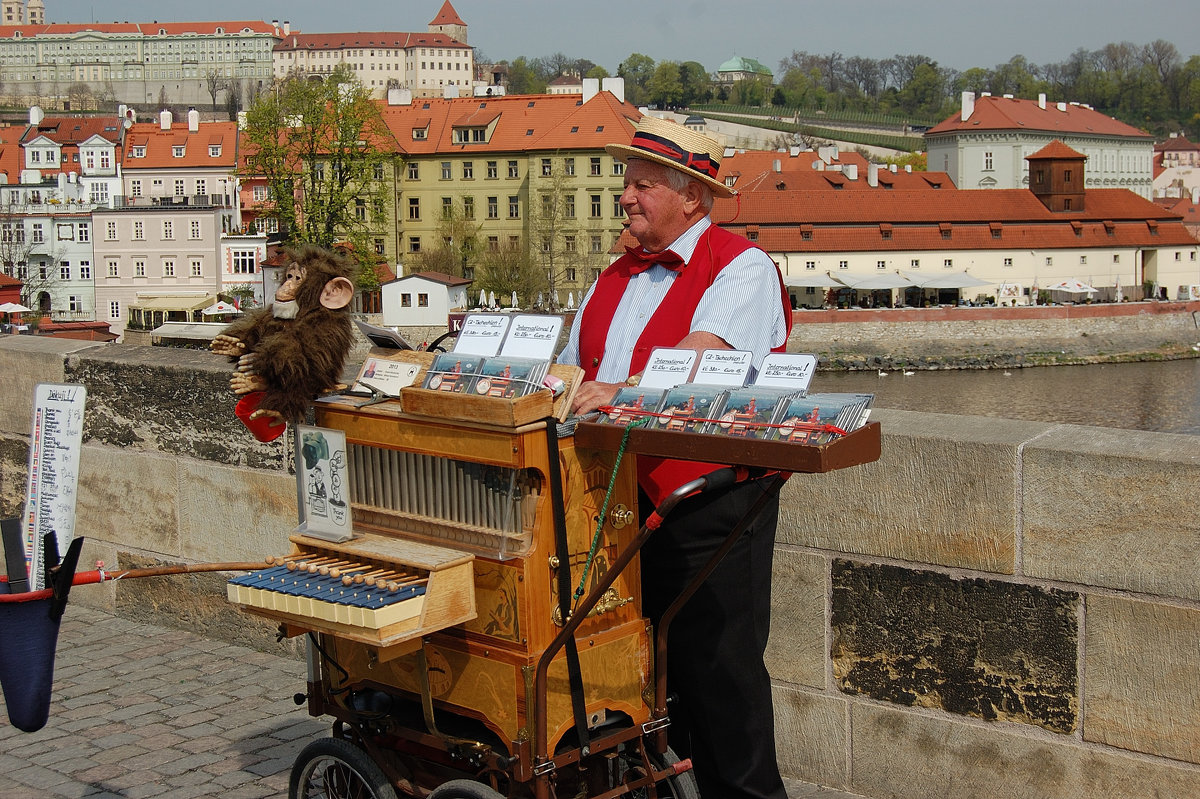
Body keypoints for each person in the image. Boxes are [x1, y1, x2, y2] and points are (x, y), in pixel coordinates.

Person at [558, 116, 793, 799]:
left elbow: (703, 359)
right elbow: (573, 375)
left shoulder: (741, 266)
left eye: (642, 185)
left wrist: (618, 390)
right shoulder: (613, 277)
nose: (625, 198)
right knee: (649, 698)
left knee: (723, 687)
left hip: (712, 509)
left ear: (692, 194)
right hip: (622, 511)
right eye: (625, 184)